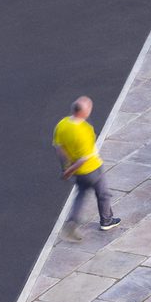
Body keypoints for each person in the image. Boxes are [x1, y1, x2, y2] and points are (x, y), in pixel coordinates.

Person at [52, 96, 120, 233]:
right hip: (92, 169)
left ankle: (72, 221)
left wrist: (66, 167)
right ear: (84, 112)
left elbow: (58, 147)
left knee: (81, 193)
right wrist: (69, 171)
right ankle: (106, 220)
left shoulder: (62, 124)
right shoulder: (86, 130)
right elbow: (84, 158)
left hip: (78, 173)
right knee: (103, 194)